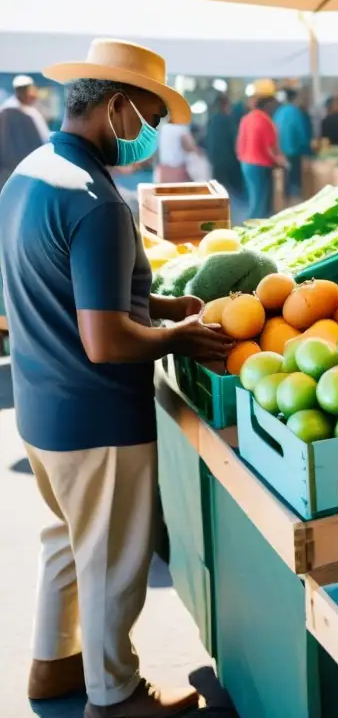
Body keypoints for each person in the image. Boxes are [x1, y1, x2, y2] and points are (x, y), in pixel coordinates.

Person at [0, 38, 233, 718]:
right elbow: (105, 340)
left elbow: (54, 284)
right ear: (117, 106)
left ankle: (52, 666)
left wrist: (157, 304)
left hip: (41, 411)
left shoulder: (31, 174)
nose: (153, 134)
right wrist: (179, 335)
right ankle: (115, 695)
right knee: (110, 564)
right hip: (97, 416)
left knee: (69, 546)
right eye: (150, 116)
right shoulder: (97, 203)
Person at [236, 79, 286, 220]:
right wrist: (278, 163)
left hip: (246, 164)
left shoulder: (247, 118)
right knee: (260, 204)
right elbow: (269, 148)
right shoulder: (265, 120)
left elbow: (240, 144)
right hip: (260, 165)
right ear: (268, 104)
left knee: (254, 199)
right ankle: (250, 231)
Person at [0, 75, 49, 188]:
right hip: (17, 172)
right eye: (32, 91)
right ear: (22, 92)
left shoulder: (30, 112)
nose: (34, 95)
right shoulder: (8, 113)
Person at [273, 87, 312, 199]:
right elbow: (301, 132)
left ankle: (285, 202)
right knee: (295, 180)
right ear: (295, 98)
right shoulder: (295, 112)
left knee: (285, 179)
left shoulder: (279, 111)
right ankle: (295, 203)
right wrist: (307, 149)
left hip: (281, 151)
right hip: (294, 151)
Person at [205, 93, 242, 195]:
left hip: (214, 159)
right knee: (227, 190)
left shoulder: (212, 120)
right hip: (227, 161)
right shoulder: (228, 120)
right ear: (226, 105)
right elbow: (235, 140)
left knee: (217, 188)